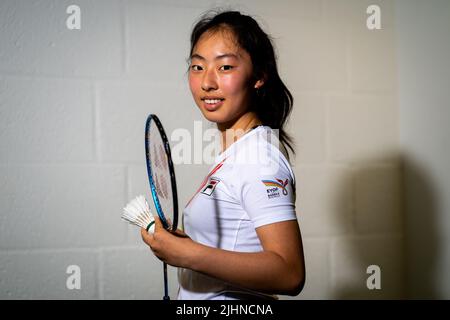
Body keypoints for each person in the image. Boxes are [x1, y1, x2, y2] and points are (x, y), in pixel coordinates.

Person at [141, 10, 305, 300]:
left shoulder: (259, 158)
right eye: (197, 67)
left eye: (225, 67)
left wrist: (189, 254)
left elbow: (289, 273)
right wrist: (183, 246)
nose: (207, 83)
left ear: (259, 76)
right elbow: (235, 247)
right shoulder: (237, 153)